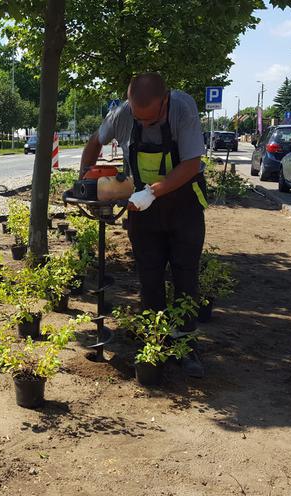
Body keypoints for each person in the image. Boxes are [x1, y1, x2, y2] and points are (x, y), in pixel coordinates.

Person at [79, 73, 207, 377]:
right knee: (149, 278)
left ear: (165, 101)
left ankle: (187, 347)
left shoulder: (183, 110)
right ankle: (156, 343)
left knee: (185, 277)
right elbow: (95, 142)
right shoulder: (122, 114)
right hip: (142, 209)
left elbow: (191, 164)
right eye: (140, 119)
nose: (145, 126)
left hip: (183, 205)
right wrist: (84, 179)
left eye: (151, 121)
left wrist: (152, 191)